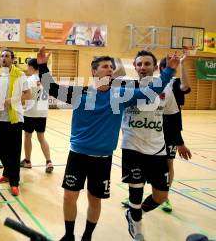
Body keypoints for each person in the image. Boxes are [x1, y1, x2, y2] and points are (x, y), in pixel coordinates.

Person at [36, 47, 178, 241]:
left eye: (111, 67)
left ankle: (87, 236)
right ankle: (69, 236)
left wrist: (169, 70)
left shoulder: (120, 95)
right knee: (69, 196)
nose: (110, 70)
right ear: (94, 71)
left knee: (94, 199)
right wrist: (43, 65)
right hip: (77, 155)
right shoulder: (80, 94)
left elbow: (151, 91)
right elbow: (51, 87)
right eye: (105, 66)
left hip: (102, 159)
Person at [121, 51, 182, 241]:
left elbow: (172, 118)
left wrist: (180, 143)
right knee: (135, 194)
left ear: (155, 67)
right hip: (133, 147)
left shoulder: (168, 89)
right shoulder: (127, 87)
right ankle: (138, 229)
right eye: (139, 64)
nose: (142, 67)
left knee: (161, 196)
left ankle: (134, 214)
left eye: (147, 64)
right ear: (134, 66)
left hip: (157, 149)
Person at [0, 49, 31, 196]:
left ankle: (14, 182)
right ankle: (7, 174)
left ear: (12, 59)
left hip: (15, 119)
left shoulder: (20, 75)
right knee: (1, 151)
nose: (3, 59)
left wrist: (11, 100)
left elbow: (28, 94)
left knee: (14, 152)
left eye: (6, 56)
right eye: (2, 56)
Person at [159, 55, 192, 212]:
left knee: (168, 163)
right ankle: (139, 193)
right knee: (145, 163)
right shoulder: (155, 85)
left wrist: (183, 64)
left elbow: (186, 86)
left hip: (171, 130)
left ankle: (165, 196)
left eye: (174, 66)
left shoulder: (176, 83)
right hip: (152, 130)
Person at [20, 58, 53, 173]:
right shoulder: (46, 80)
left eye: (28, 66)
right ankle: (49, 161)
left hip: (30, 113)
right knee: (41, 137)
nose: (27, 68)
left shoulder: (29, 80)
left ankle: (28, 161)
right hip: (42, 113)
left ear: (31, 67)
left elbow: (26, 96)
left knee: (27, 136)